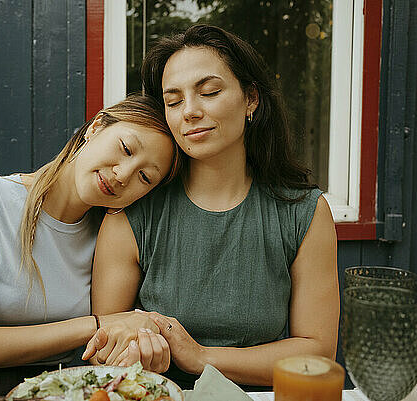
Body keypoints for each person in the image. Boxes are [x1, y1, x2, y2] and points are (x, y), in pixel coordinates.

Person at [85, 25, 339, 390]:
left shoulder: (304, 212)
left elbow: (315, 355)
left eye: (209, 92)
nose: (189, 111)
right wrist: (135, 349)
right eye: (173, 101)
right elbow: (103, 345)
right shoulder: (133, 209)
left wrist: (201, 356)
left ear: (251, 99)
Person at [0, 95, 181, 400]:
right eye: (126, 149)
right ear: (96, 127)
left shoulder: (110, 236)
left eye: (144, 177)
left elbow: (104, 348)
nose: (123, 175)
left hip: (55, 389)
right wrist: (99, 323)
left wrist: (144, 350)